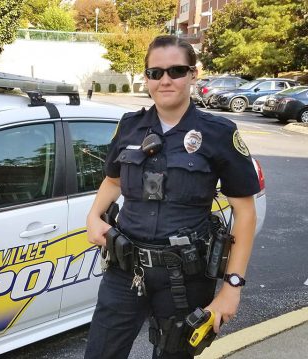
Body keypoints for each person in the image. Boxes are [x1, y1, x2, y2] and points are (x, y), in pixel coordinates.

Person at [84, 35, 260, 359]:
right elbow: (112, 180)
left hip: (186, 279)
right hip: (126, 271)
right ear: (147, 77)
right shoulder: (130, 126)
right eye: (155, 72)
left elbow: (245, 212)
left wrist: (232, 288)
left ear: (193, 74)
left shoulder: (219, 132)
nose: (165, 80)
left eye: (176, 71)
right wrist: (93, 216)